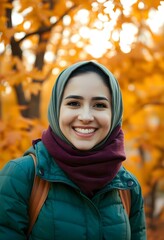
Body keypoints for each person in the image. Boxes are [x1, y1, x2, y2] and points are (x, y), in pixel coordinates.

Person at [0, 60, 146, 239]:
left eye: (100, 105)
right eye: (74, 103)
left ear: (115, 114)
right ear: (56, 109)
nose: (85, 117)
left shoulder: (129, 187)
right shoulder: (21, 176)